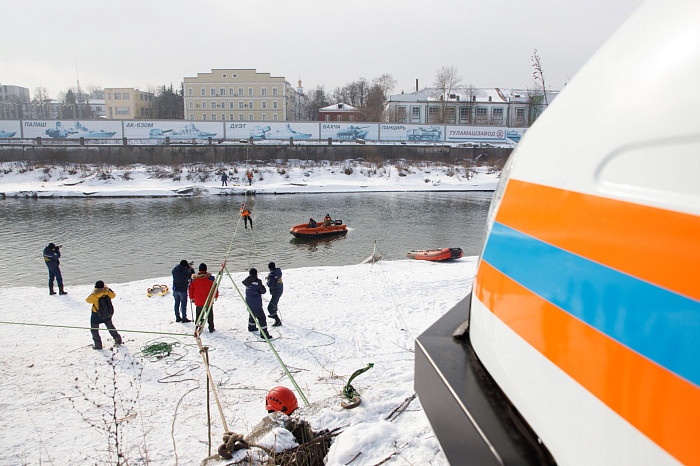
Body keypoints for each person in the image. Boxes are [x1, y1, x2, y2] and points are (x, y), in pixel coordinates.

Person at [86, 280, 122, 350]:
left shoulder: (94, 295)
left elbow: (87, 300)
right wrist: (108, 289)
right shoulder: (107, 293)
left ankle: (98, 345)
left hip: (96, 315)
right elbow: (113, 294)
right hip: (107, 314)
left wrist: (92, 292)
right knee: (110, 326)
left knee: (94, 330)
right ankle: (118, 339)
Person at [243, 268, 271, 339]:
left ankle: (251, 327)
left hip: (249, 302)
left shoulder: (247, 281)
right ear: (256, 274)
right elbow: (263, 291)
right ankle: (264, 334)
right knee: (262, 318)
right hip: (256, 303)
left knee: (252, 314)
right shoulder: (257, 282)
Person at [189, 263, 218, 333]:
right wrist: (216, 296)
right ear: (206, 269)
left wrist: (191, 297)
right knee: (209, 314)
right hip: (208, 300)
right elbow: (215, 288)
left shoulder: (194, 278)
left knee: (199, 314)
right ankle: (211, 328)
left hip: (198, 300)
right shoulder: (210, 278)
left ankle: (197, 327)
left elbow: (190, 289)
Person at [266, 262, 283, 327]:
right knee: (275, 303)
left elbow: (270, 285)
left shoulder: (271, 275)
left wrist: (267, 281)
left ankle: (277, 320)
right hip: (280, 290)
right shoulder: (278, 272)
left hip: (276, 292)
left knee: (270, 307)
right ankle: (274, 313)